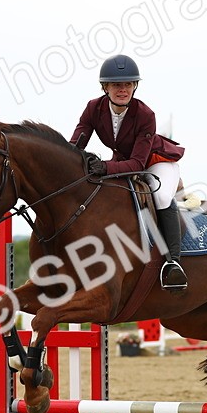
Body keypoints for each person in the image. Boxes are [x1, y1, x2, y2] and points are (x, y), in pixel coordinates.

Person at [69, 54, 188, 290]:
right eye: (116, 85)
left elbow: (137, 164)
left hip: (156, 162)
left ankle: (173, 263)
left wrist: (104, 166)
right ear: (105, 87)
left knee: (161, 195)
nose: (122, 89)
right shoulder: (94, 108)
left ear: (135, 86)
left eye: (127, 84)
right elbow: (75, 145)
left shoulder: (145, 115)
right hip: (125, 160)